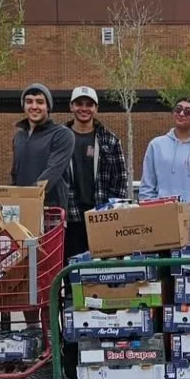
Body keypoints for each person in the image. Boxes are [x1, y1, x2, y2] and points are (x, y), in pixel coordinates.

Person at [64, 85, 129, 255]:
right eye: (79, 104)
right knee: (72, 267)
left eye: (89, 104)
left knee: (102, 268)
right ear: (71, 106)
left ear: (96, 108)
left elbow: (120, 179)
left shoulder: (110, 140)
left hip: (102, 218)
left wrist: (111, 212)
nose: (84, 108)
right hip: (70, 218)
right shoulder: (59, 138)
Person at [138, 97, 190, 205]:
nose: (181, 114)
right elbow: (147, 186)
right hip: (162, 210)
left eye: (187, 112)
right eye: (178, 109)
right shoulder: (156, 145)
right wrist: (148, 207)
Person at [12, 83, 76, 213]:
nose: (34, 106)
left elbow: (51, 173)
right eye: (29, 101)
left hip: (50, 210)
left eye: (40, 102)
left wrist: (28, 197)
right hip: (21, 208)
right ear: (23, 106)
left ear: (48, 107)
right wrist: (11, 199)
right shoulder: (19, 137)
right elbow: (15, 174)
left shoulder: (62, 135)